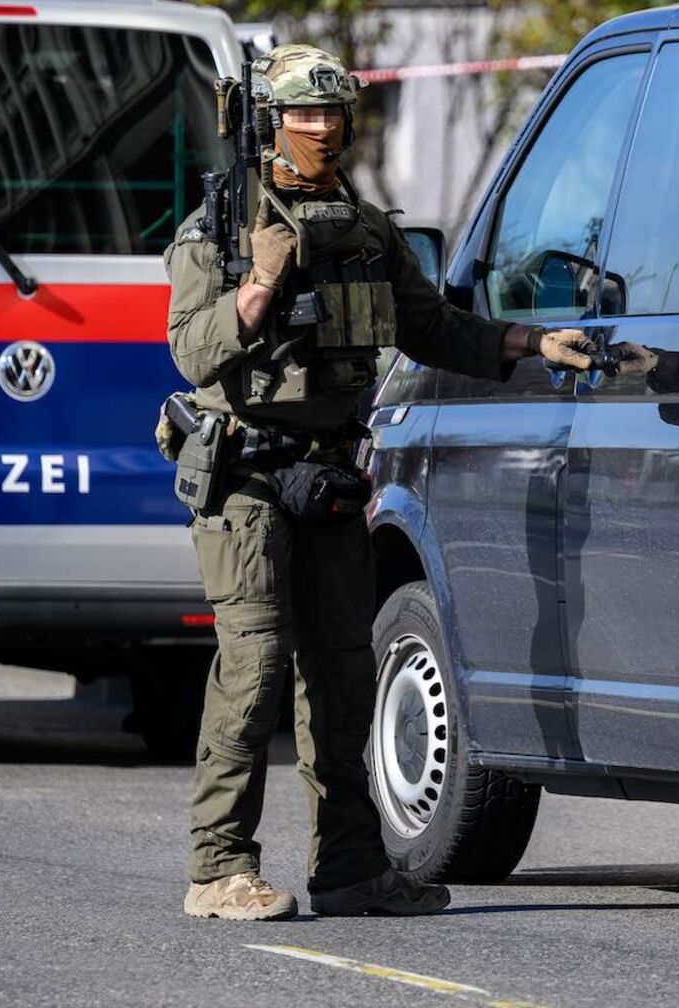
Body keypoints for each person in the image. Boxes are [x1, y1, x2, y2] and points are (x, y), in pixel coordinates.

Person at [162, 44, 597, 922]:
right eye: (301, 114)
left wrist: (528, 346)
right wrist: (258, 283)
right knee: (252, 672)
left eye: (331, 113)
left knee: (346, 678)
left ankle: (352, 871)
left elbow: (432, 325)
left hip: (326, 475)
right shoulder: (221, 225)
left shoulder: (364, 229)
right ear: (272, 123)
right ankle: (218, 869)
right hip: (245, 474)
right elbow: (191, 348)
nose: (320, 128)